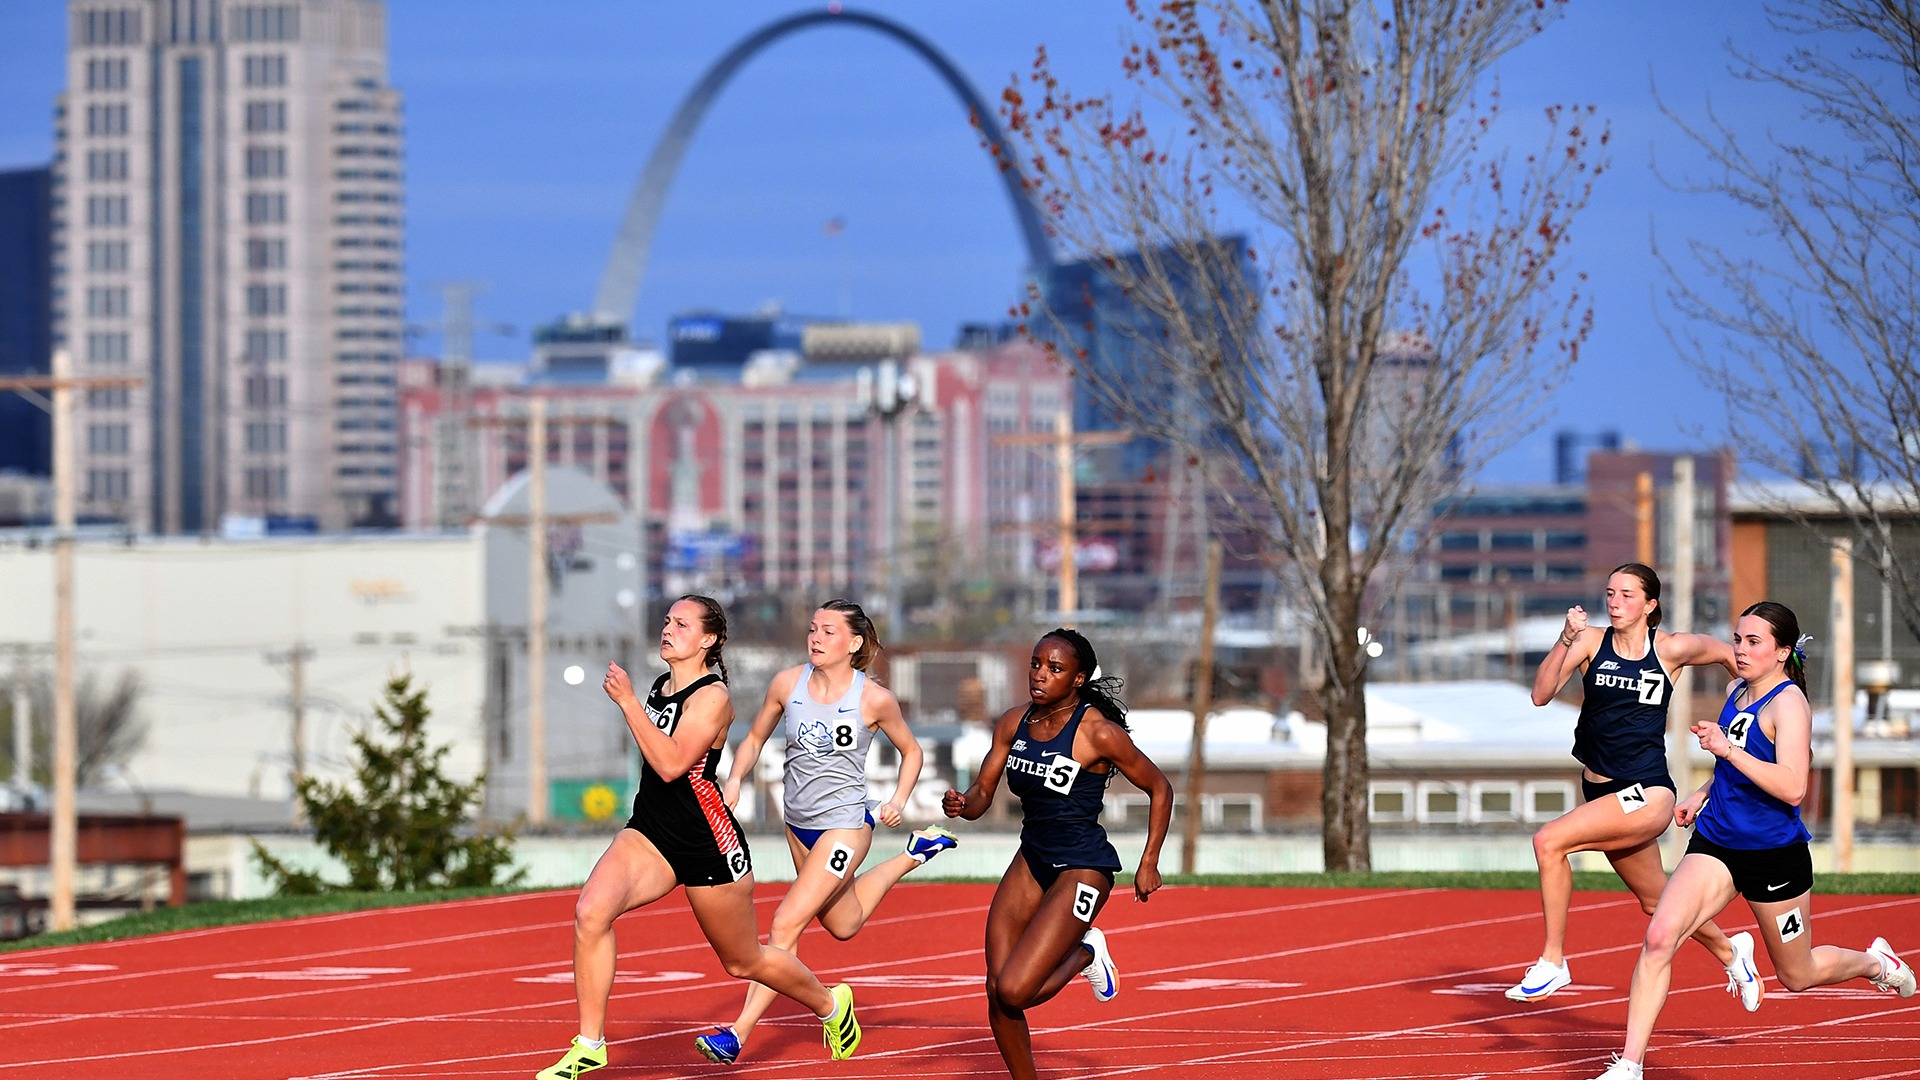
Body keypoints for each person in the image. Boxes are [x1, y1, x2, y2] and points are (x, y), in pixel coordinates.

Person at [535, 596, 861, 1080]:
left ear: (708, 640)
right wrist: (636, 702)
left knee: (742, 960)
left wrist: (627, 702)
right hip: (649, 831)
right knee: (590, 912)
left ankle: (830, 1005)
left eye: (682, 624)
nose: (668, 629)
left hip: (708, 841)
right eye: (666, 620)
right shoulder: (661, 684)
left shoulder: (714, 696)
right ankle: (590, 1043)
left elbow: (670, 765)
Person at [1586, 601, 1915, 1080]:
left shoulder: (1789, 704)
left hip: (1773, 859)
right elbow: (1730, 770)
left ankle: (1874, 962)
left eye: (1753, 642)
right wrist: (1702, 794)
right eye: (1738, 639)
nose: (1740, 650)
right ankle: (1630, 1064)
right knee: (1659, 936)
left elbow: (1792, 787)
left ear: (1782, 652)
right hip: (1716, 843)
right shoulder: (1735, 689)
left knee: (1796, 975)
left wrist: (1728, 749)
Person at [692, 599, 957, 1065]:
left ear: (853, 644)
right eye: (813, 629)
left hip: (845, 828)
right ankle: (915, 854)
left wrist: (897, 799)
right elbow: (754, 738)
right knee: (843, 923)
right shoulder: (786, 684)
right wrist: (734, 780)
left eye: (828, 631)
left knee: (784, 924)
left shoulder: (873, 698)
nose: (815, 638)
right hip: (797, 825)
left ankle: (737, 1032)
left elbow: (912, 751)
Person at [1509, 563, 1757, 1008]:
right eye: (1610, 593)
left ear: (1650, 604)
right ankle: (1732, 951)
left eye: (1627, 594)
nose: (1615, 602)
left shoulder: (1670, 648)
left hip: (1647, 791)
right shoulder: (1589, 641)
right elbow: (1541, 694)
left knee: (1549, 842)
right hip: (1600, 791)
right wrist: (1566, 637)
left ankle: (1553, 960)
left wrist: (1741, 695)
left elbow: (1727, 655)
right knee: (1655, 900)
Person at [942, 628, 1173, 1080]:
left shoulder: (1098, 733)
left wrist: (1149, 862)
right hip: (1033, 858)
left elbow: (1159, 787)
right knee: (995, 988)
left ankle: (1086, 952)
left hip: (1083, 867)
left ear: (1078, 679)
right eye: (1035, 664)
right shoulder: (1013, 722)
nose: (1039, 675)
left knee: (1015, 990)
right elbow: (983, 793)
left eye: (1055, 669)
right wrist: (962, 805)